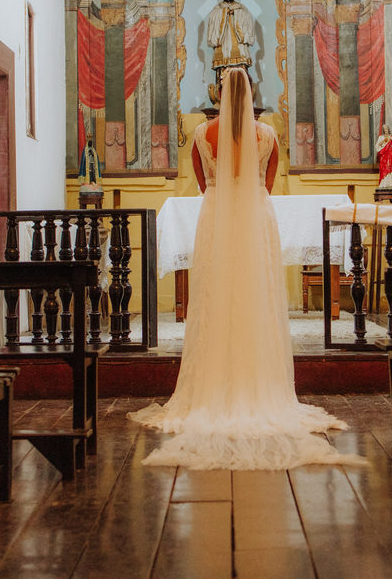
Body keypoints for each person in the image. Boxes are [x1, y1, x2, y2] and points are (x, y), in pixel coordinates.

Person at [129, 68, 365, 469]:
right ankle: (259, 385)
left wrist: (225, 193)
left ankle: (213, 387)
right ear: (251, 95)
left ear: (221, 94)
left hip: (217, 217)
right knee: (257, 296)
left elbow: (204, 184)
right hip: (255, 217)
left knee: (215, 296)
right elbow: (268, 184)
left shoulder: (203, 135)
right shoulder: (268, 136)